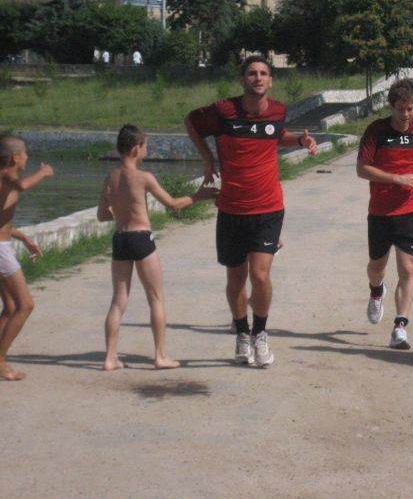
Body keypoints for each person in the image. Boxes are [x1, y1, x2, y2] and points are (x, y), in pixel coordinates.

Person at [184, 55, 318, 367]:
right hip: (231, 208)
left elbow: (276, 135)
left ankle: (260, 333)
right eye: (252, 73)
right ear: (242, 79)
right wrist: (208, 159)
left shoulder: (278, 111)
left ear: (270, 80)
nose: (258, 78)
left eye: (263, 73)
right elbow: (191, 122)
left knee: (259, 274)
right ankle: (242, 334)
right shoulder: (223, 111)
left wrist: (299, 140)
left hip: (268, 207)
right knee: (235, 276)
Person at [97, 125, 218, 371]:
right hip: (141, 238)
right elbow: (173, 204)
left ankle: (110, 357)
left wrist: (121, 214)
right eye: (145, 146)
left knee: (118, 301)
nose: (147, 150)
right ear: (136, 149)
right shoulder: (144, 177)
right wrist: (199, 196)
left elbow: (101, 215)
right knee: (156, 298)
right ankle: (160, 356)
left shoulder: (111, 178)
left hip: (120, 239)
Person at [356, 79, 413, 349]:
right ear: (392, 106)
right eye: (401, 109)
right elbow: (362, 169)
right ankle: (376, 290)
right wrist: (396, 178)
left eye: (410, 109)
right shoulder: (376, 131)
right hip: (381, 210)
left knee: (407, 268)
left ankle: (400, 327)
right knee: (376, 267)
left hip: (411, 209)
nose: (406, 114)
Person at [0, 134, 54, 380]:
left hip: (4, 245)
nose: (28, 158)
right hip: (0, 250)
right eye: (25, 154)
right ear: (14, 157)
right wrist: (43, 173)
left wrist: (24, 238)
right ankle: (1, 362)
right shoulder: (7, 176)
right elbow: (22, 185)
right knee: (25, 305)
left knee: (11, 307)